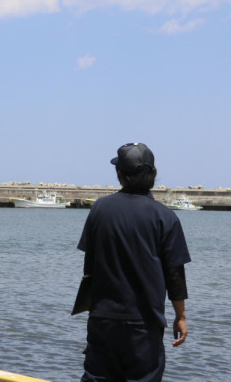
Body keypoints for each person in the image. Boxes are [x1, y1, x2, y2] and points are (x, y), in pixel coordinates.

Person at [77, 143, 191, 381]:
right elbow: (174, 274)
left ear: (120, 175)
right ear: (154, 173)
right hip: (144, 323)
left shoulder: (100, 209)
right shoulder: (165, 217)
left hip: (103, 319)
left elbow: (90, 267)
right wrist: (180, 316)